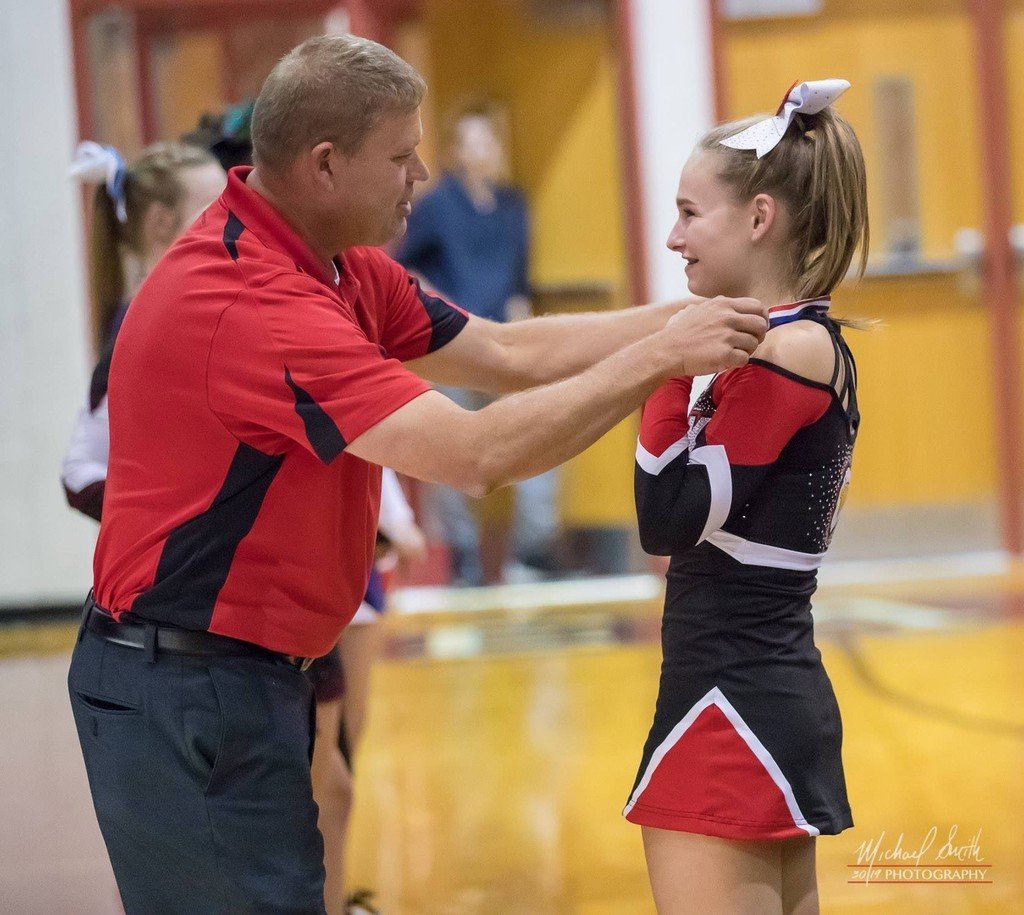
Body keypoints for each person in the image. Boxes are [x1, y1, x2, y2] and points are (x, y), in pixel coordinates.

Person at [66, 34, 768, 913]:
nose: (422, 174)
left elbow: (506, 351)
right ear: (326, 165)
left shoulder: (339, 262)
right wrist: (664, 354)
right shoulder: (257, 302)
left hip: (241, 676)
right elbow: (477, 454)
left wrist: (706, 312)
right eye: (401, 155)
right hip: (182, 688)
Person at [622, 80, 867, 914]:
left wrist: (666, 361)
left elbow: (667, 520)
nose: (672, 236)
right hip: (744, 691)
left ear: (759, 218)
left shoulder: (790, 351)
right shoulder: (779, 342)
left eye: (691, 213)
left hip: (730, 704)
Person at [395, 102, 556, 584]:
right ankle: (462, 556)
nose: (486, 149)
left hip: (507, 342)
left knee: (539, 431)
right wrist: (440, 303)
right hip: (453, 343)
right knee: (454, 445)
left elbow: (520, 276)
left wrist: (521, 307)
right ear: (456, 151)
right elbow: (404, 268)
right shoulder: (437, 206)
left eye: (491, 139)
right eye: (475, 141)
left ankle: (534, 551)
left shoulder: (513, 204)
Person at [61, 141, 227, 519]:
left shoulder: (216, 307)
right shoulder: (141, 327)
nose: (236, 222)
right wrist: (171, 522)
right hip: (183, 570)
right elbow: (79, 468)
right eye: (215, 210)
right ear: (160, 223)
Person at [308, 467, 425, 915]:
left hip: (346, 593)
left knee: (336, 781)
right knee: (321, 785)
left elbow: (369, 441)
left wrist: (393, 525)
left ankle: (331, 901)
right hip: (284, 606)